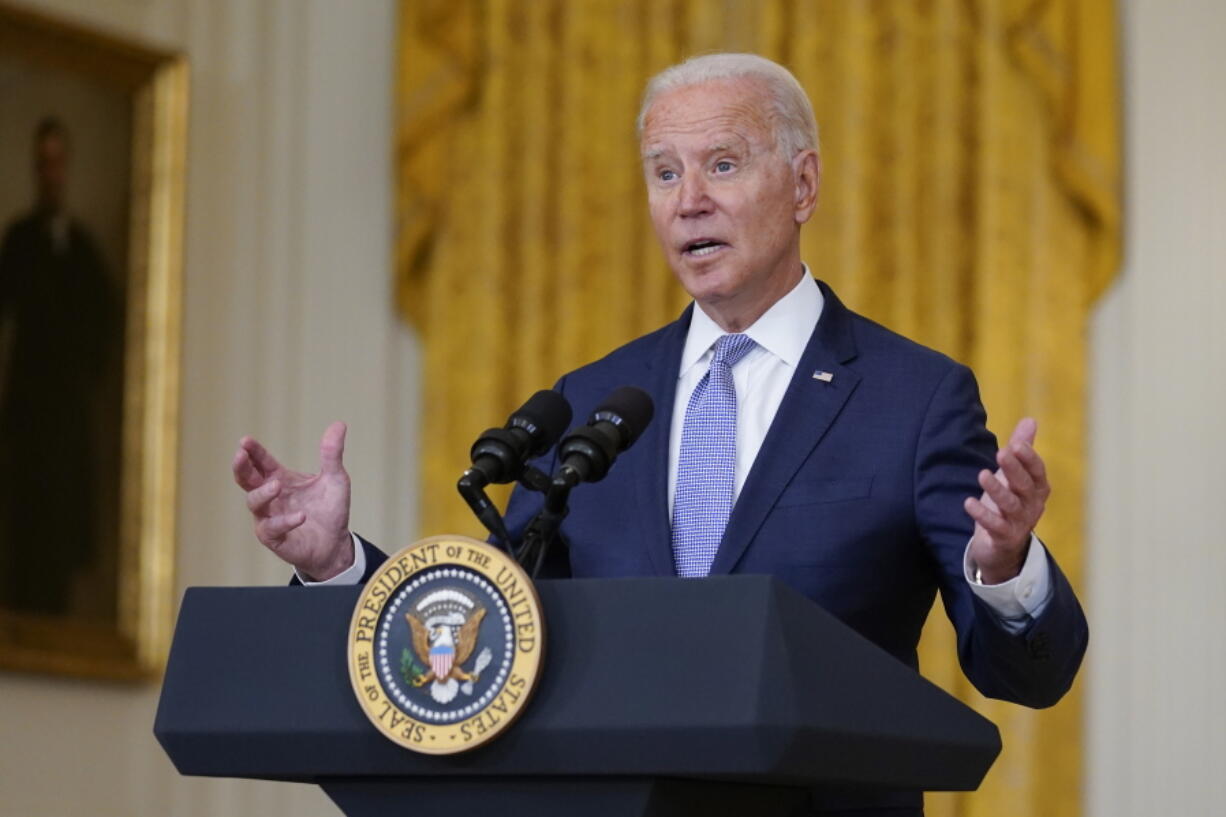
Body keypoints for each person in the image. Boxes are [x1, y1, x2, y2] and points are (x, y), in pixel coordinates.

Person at [233, 54, 1086, 815]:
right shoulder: (596, 400)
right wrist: (338, 566)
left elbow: (1030, 674)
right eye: (664, 172)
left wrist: (1007, 567)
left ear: (803, 184)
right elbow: (491, 631)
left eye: (722, 165)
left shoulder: (914, 397)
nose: (690, 202)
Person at [0, 117, 122, 616]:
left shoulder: (83, 248)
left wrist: (82, 375)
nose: (50, 173)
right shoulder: (20, 240)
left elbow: (108, 321)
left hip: (66, 418)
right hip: (26, 411)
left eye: (57, 162)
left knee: (59, 535)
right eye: (42, 163)